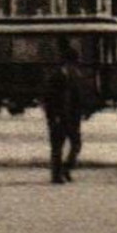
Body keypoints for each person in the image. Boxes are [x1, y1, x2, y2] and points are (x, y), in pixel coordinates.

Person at [43, 43, 87, 184]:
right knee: (57, 148)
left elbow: (78, 97)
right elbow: (49, 99)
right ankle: (56, 176)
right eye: (73, 63)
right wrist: (52, 116)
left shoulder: (76, 76)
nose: (75, 66)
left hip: (72, 117)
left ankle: (66, 169)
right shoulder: (56, 77)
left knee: (76, 145)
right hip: (59, 117)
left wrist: (81, 111)